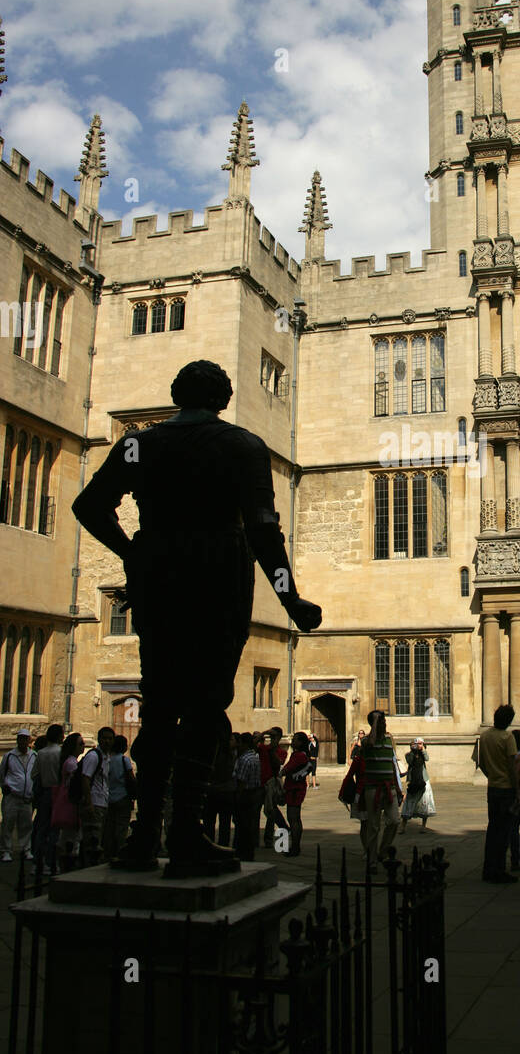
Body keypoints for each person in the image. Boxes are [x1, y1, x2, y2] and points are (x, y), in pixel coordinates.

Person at [71, 358, 321, 877]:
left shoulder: (140, 443)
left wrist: (131, 553)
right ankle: (185, 833)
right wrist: (289, 597)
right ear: (224, 398)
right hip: (218, 579)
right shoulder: (243, 446)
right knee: (208, 707)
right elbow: (263, 532)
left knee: (159, 703)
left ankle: (144, 836)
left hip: (159, 579)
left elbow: (89, 507)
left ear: (176, 394)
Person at [477, 704, 520, 884]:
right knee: (504, 832)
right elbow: (511, 766)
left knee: (493, 829)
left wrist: (491, 776)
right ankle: (499, 871)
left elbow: (481, 763)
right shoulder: (507, 737)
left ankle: (489, 869)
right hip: (506, 789)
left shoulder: (485, 736)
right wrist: (516, 789)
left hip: (492, 787)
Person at [359, 711, 401, 872]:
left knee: (395, 821)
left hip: (388, 787)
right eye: (382, 721)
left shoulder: (389, 740)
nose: (385, 723)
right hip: (372, 789)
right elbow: (369, 743)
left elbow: (392, 764)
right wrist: (375, 723)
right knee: (374, 826)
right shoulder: (366, 741)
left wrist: (397, 787)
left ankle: (381, 852)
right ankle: (372, 861)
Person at [79, 726, 115, 866]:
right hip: (94, 803)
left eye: (110, 739)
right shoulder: (94, 756)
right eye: (104, 738)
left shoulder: (106, 757)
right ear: (99, 739)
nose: (107, 741)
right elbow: (85, 778)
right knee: (91, 838)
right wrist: (88, 803)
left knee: (98, 837)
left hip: (102, 802)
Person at [31, 723, 64, 875]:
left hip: (44, 792)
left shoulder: (42, 753)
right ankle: (51, 862)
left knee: (41, 829)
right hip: (57, 793)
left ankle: (38, 862)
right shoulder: (61, 752)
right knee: (54, 830)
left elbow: (34, 775)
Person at [0, 731, 37, 862]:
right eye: (20, 739)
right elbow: (2, 773)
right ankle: (6, 851)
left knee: (26, 825)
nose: (22, 742)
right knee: (8, 824)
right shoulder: (9, 756)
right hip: (12, 796)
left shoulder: (34, 755)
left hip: (27, 797)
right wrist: (5, 785)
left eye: (25, 739)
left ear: (28, 741)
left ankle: (25, 849)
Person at [52, 733, 84, 872]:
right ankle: (66, 865)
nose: (83, 746)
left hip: (66, 800)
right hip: (70, 802)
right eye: (80, 744)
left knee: (65, 835)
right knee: (72, 836)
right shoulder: (71, 763)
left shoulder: (69, 761)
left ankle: (61, 864)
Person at [102, 734, 136, 861]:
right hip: (123, 796)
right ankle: (120, 851)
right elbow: (130, 777)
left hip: (110, 797)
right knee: (121, 828)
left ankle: (108, 853)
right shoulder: (124, 760)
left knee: (110, 827)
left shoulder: (108, 760)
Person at [232, 733, 262, 861]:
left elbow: (241, 782)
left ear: (244, 744)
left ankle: (241, 852)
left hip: (245, 794)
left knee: (241, 826)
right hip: (254, 793)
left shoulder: (244, 759)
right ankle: (249, 852)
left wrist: (236, 798)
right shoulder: (254, 758)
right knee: (249, 825)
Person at [282, 731, 311, 855]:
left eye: (295, 740)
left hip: (294, 789)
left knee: (293, 818)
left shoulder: (298, 756)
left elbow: (286, 769)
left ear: (300, 742)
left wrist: (281, 773)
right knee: (295, 818)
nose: (292, 742)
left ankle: (295, 847)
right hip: (296, 789)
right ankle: (295, 846)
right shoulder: (301, 755)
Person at [259, 727, 289, 848]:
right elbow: (253, 742)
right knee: (266, 811)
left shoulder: (281, 751)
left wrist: (272, 749)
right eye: (272, 737)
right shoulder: (263, 748)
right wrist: (264, 732)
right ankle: (283, 829)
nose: (272, 739)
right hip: (260, 783)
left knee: (271, 811)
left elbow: (278, 763)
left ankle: (270, 839)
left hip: (272, 784)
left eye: (275, 737)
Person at [400, 738, 436, 832]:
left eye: (419, 744)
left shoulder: (422, 754)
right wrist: (413, 751)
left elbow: (427, 758)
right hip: (413, 781)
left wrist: (422, 749)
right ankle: (403, 826)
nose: (417, 746)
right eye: (415, 744)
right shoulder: (409, 754)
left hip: (423, 780)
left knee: (424, 803)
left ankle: (423, 826)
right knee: (408, 803)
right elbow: (410, 761)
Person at [508, 729, 520, 872]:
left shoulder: (504, 754)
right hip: (513, 793)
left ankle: (497, 861)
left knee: (500, 828)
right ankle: (515, 861)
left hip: (500, 789)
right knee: (514, 829)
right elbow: (515, 775)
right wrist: (518, 792)